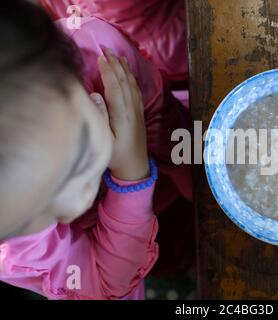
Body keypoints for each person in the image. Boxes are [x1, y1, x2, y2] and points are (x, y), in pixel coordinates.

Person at [0, 0, 192, 299]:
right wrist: (131, 176)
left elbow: (165, 119)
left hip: (172, 166)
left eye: (81, 158)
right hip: (122, 252)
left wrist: (194, 177)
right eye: (30, 219)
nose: (74, 206)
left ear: (61, 58)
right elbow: (102, 285)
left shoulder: (96, 48)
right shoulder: (11, 249)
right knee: (170, 253)